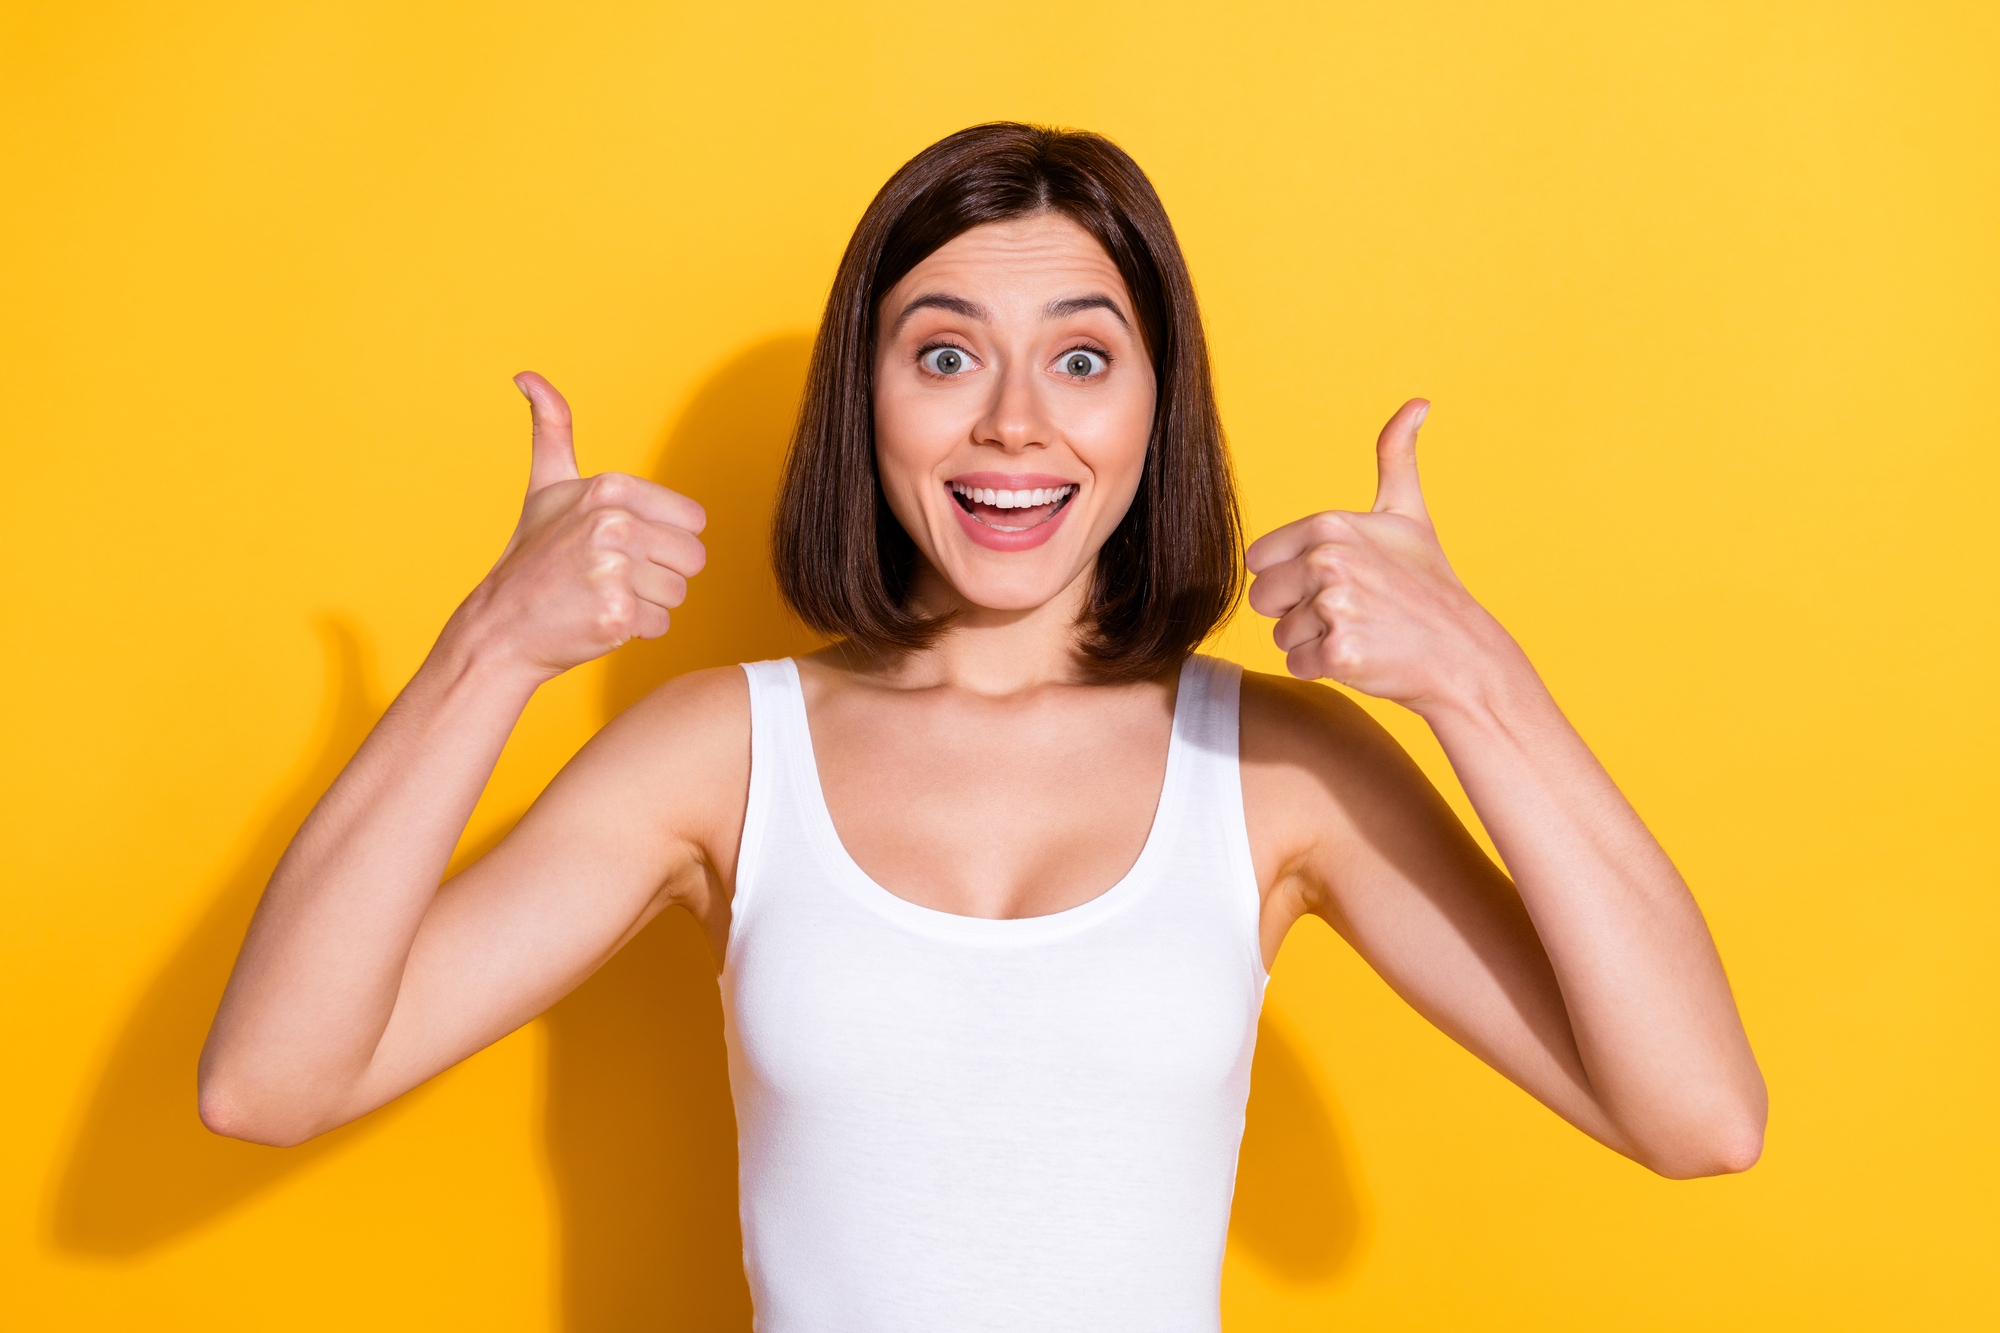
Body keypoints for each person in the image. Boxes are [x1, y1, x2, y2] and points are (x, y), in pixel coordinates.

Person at [199, 123, 1765, 1331]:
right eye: (945, 354)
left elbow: (1696, 1115)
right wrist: (492, 649)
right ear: (863, 402)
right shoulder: (721, 757)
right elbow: (270, 1084)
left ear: (1157, 410)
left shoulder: (1277, 771)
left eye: (1082, 358)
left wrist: (1474, 679)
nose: (1015, 421)